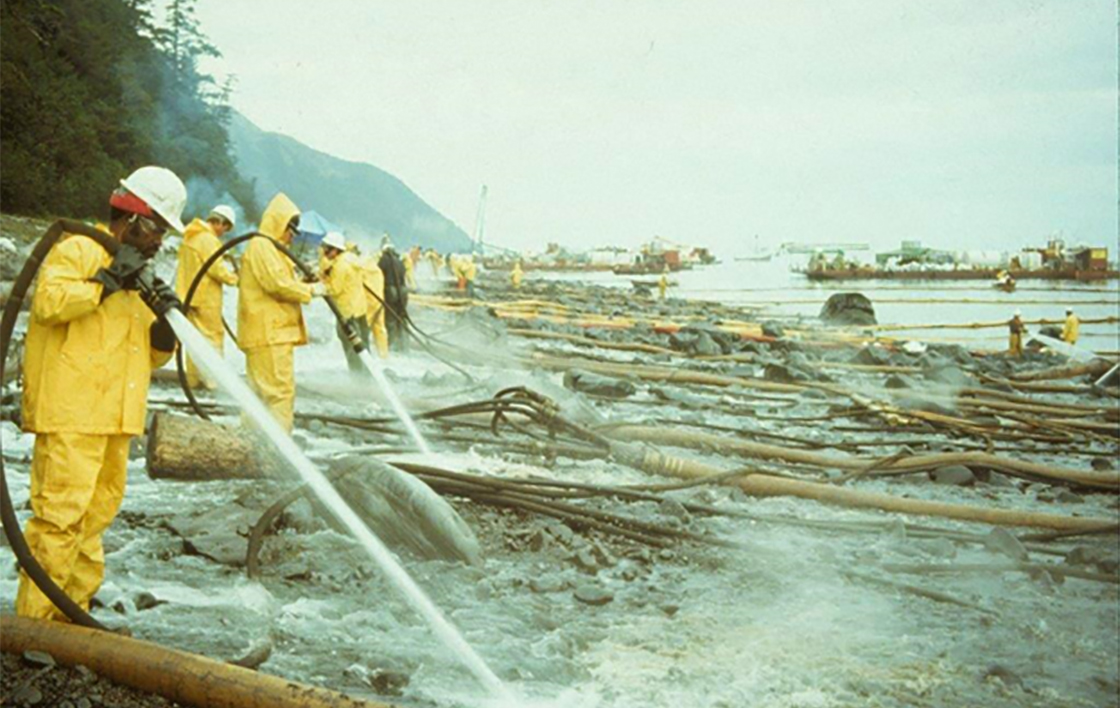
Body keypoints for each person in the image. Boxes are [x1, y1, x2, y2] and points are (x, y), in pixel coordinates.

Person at [17, 166, 187, 621]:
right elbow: (50, 305)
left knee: (93, 523)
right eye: (157, 231)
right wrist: (108, 281)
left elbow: (140, 357)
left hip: (115, 417)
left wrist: (166, 332)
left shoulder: (137, 275)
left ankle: (72, 618)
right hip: (73, 413)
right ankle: (34, 626)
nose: (159, 244)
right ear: (133, 218)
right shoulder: (78, 249)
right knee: (59, 522)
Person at [237, 193, 324, 432]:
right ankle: (278, 451)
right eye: (290, 230)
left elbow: (280, 279)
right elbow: (277, 284)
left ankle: (250, 445)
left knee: (259, 395)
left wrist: (302, 280)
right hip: (270, 333)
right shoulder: (263, 246)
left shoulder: (269, 248)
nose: (291, 237)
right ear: (279, 222)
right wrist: (312, 290)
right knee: (278, 394)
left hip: (265, 333)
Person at [175, 205, 238, 389]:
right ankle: (212, 382)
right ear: (219, 222)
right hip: (205, 299)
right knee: (212, 338)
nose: (224, 233)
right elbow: (216, 269)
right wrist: (235, 278)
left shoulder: (191, 236)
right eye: (225, 228)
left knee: (193, 340)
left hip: (187, 296)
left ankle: (193, 380)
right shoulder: (208, 240)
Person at [320, 231, 371, 372]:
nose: (325, 251)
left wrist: (316, 288)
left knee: (352, 349)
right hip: (360, 311)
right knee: (364, 348)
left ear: (335, 249)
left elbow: (334, 289)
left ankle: (358, 380)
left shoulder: (340, 265)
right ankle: (369, 377)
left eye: (327, 248)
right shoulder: (351, 259)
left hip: (347, 313)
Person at [378, 236, 409, 351]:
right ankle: (404, 345)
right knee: (401, 319)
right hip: (403, 292)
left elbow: (378, 275)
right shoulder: (400, 261)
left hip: (391, 291)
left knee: (390, 319)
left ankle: (391, 346)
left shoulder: (384, 260)